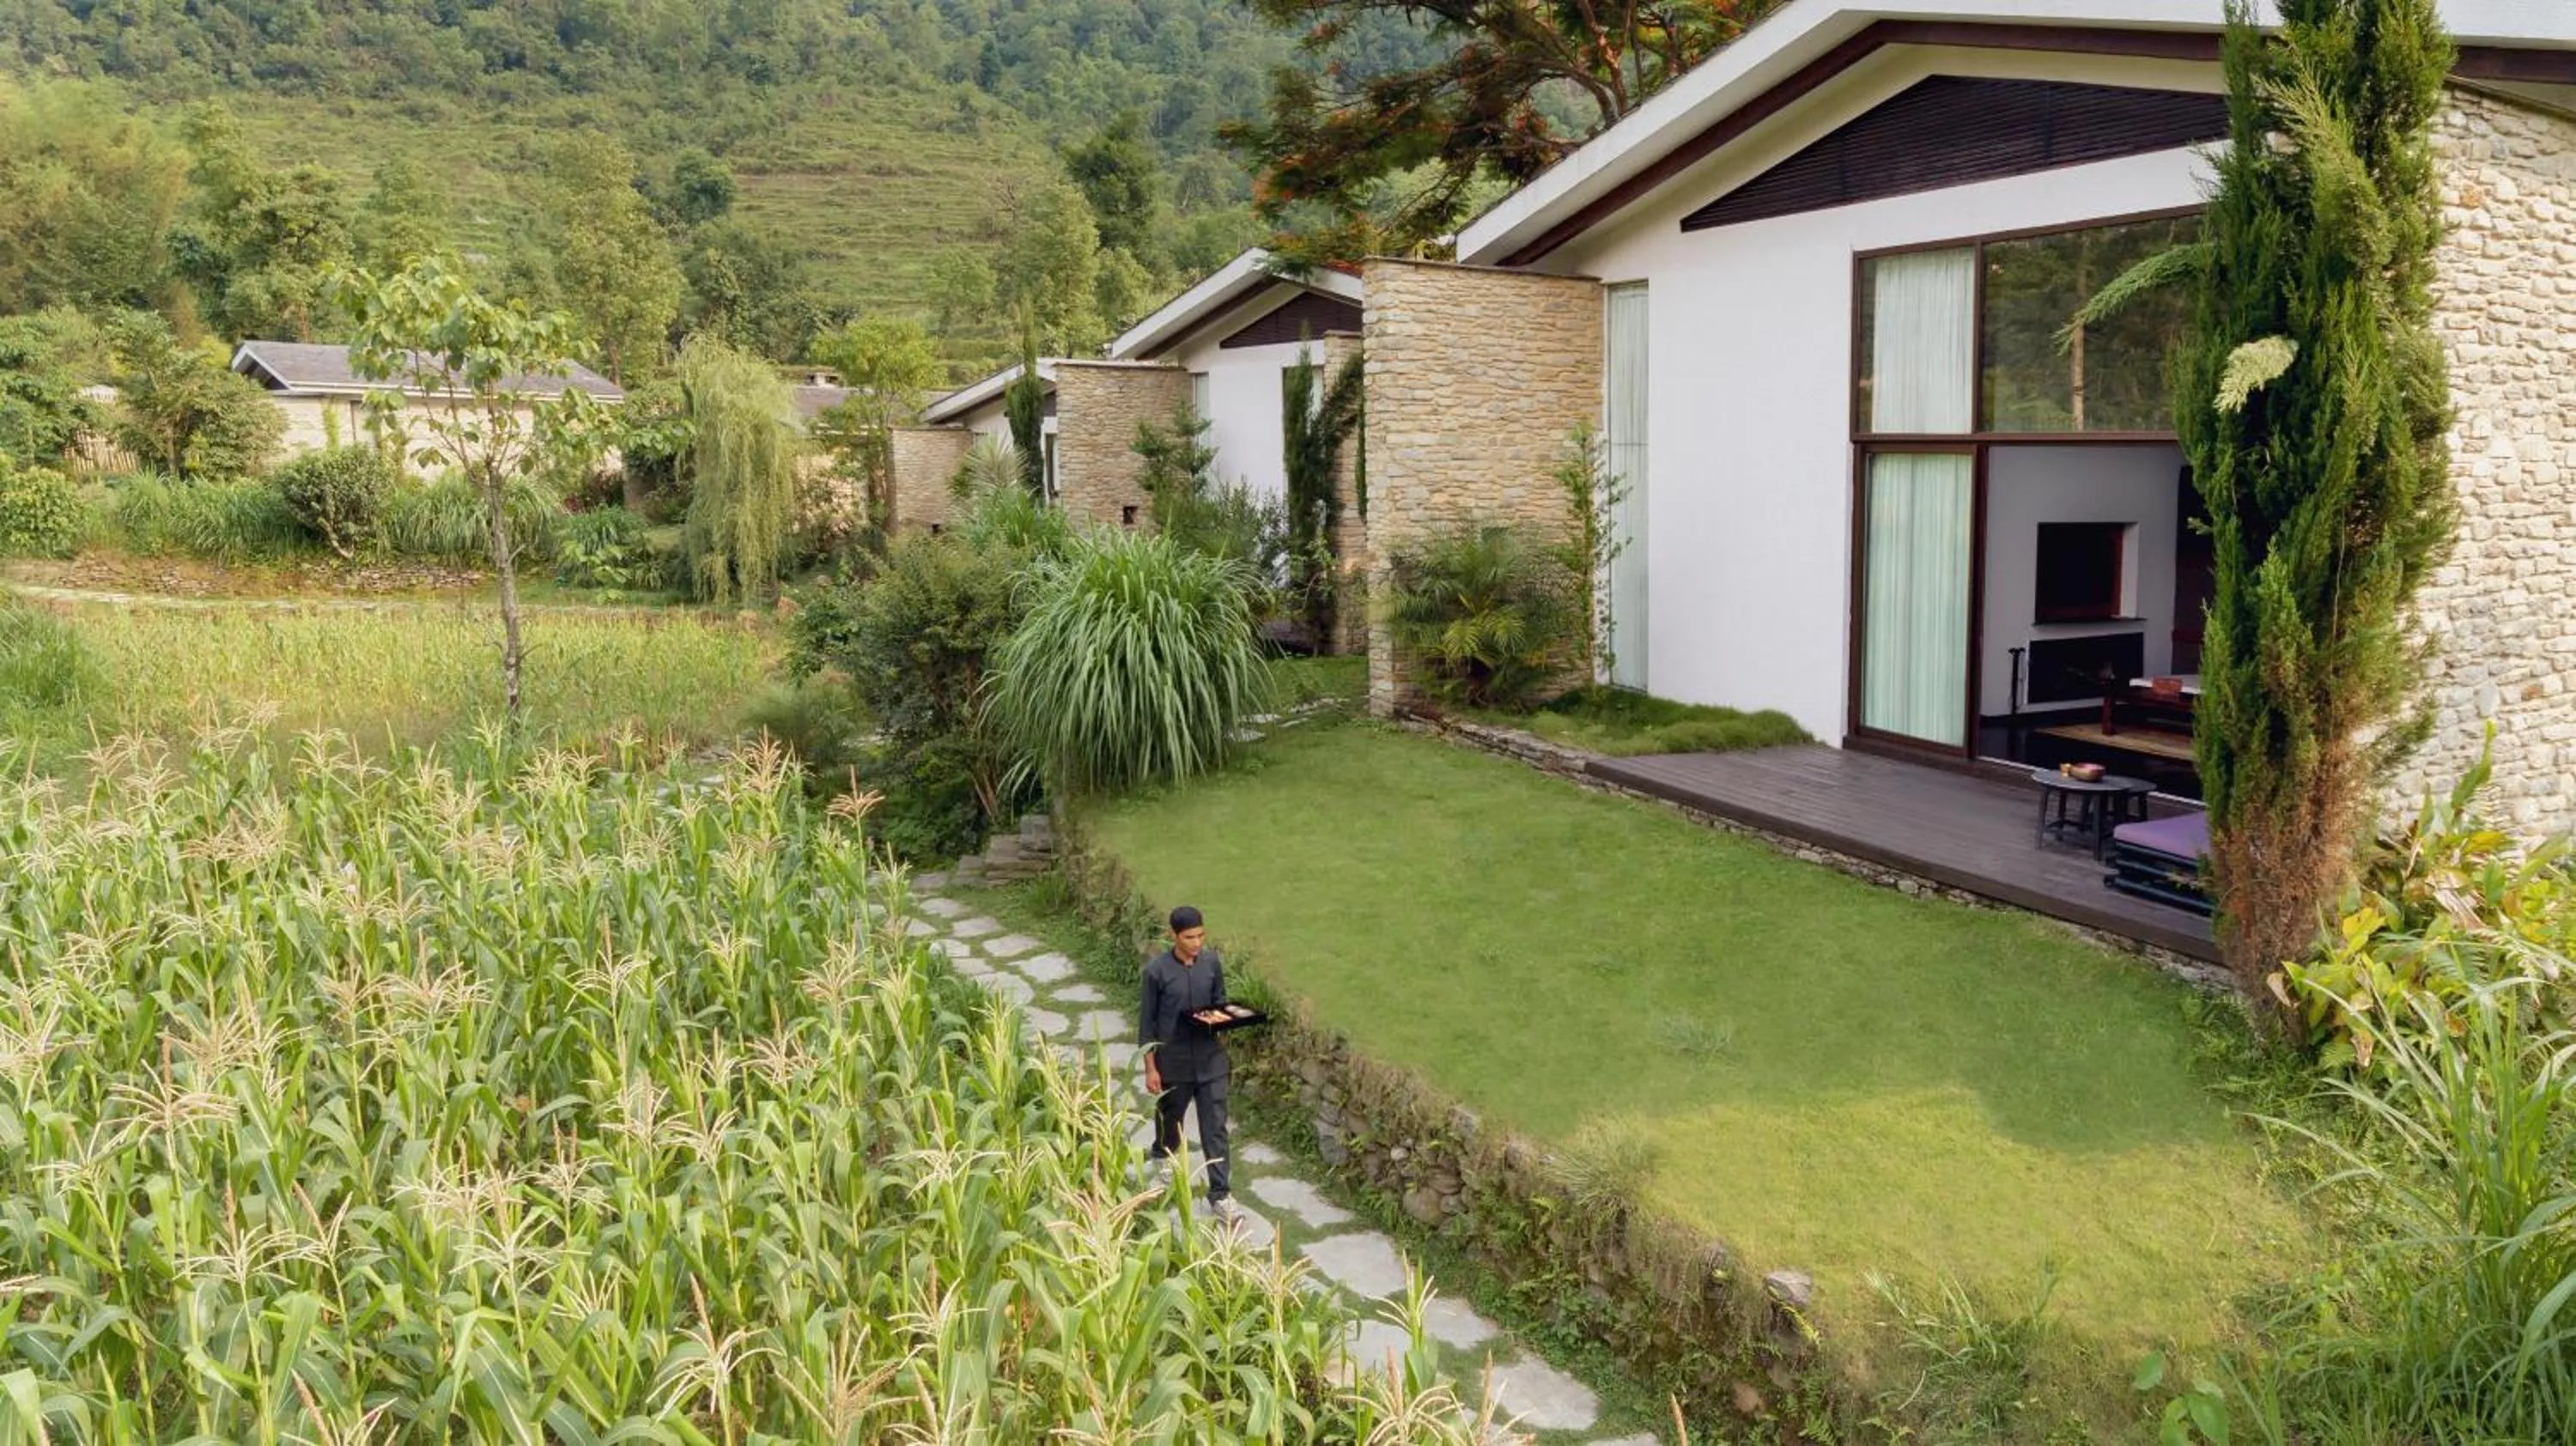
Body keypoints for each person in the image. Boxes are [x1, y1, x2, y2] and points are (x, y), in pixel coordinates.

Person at [1138, 903, 1234, 1216]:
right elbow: (1147, 1025)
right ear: (1174, 936)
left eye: (1201, 936)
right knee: (1171, 1119)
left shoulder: (1211, 963)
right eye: (1190, 937)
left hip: (1211, 1061)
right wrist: (1151, 1068)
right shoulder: (1156, 972)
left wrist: (1225, 1019)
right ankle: (1163, 1155)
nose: (1197, 943)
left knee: (1216, 1128)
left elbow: (1220, 1002)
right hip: (1174, 1061)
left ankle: (1220, 1195)